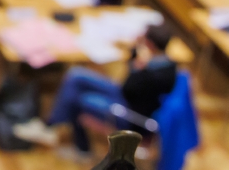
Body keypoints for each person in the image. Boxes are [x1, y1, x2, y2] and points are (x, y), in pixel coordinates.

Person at [13, 23, 177, 160]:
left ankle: (82, 149)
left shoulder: (160, 75)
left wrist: (138, 67)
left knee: (79, 99)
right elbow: (129, 79)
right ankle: (49, 126)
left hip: (129, 113)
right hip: (125, 96)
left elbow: (129, 87)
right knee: (76, 75)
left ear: (149, 44)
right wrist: (137, 55)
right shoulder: (158, 62)